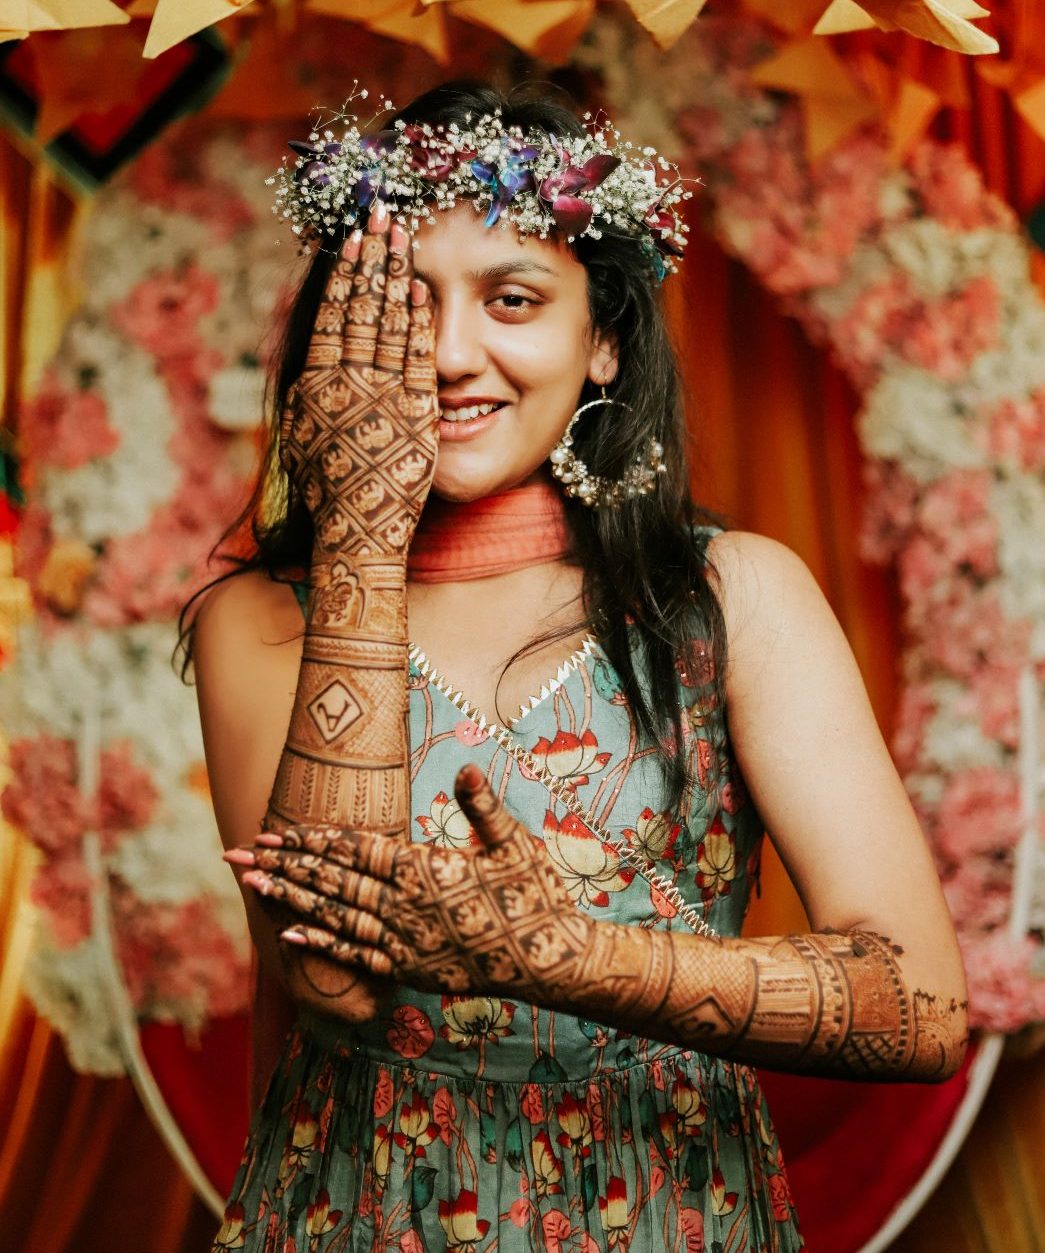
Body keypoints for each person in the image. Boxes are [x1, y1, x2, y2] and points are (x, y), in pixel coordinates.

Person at [184, 81, 968, 1252]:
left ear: (602, 337)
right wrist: (358, 529)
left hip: (665, 1204)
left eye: (512, 299)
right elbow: (331, 988)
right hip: (360, 1210)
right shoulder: (258, 621)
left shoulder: (727, 600)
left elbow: (918, 1007)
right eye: (400, 300)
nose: (448, 354)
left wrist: (570, 958)